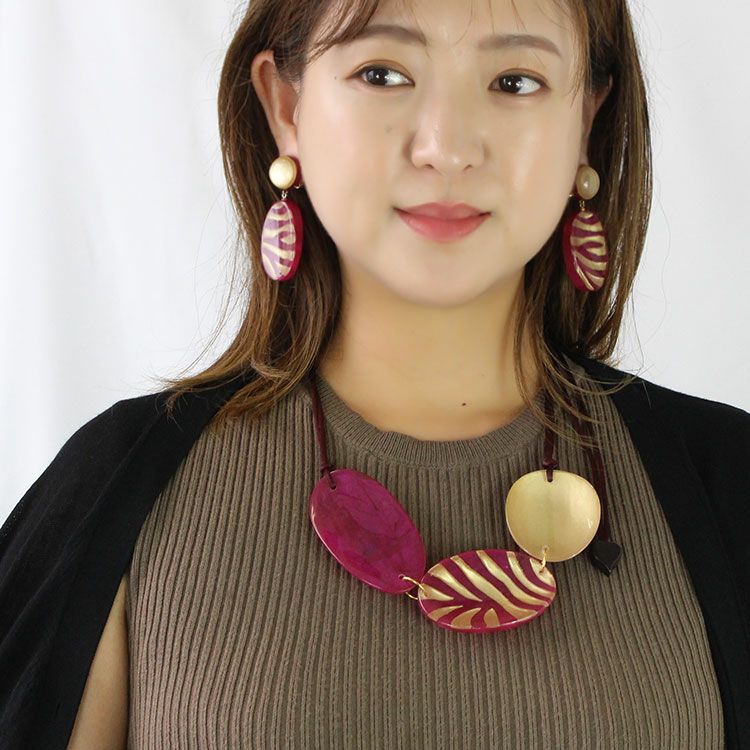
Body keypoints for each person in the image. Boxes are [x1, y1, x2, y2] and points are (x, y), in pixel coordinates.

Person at [1, 0, 748, 748]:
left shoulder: (729, 485)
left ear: (586, 118)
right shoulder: (120, 491)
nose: (446, 149)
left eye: (515, 81)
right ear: (285, 106)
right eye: (383, 73)